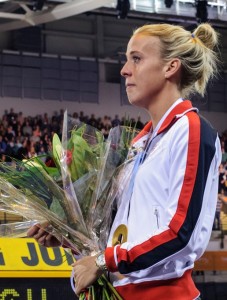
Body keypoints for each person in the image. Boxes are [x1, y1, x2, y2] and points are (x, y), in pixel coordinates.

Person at [27, 23, 222, 300]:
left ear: (170, 67)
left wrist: (104, 261)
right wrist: (69, 238)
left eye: (136, 58)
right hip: (122, 292)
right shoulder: (138, 144)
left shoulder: (190, 130)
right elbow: (122, 234)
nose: (124, 70)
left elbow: (181, 234)